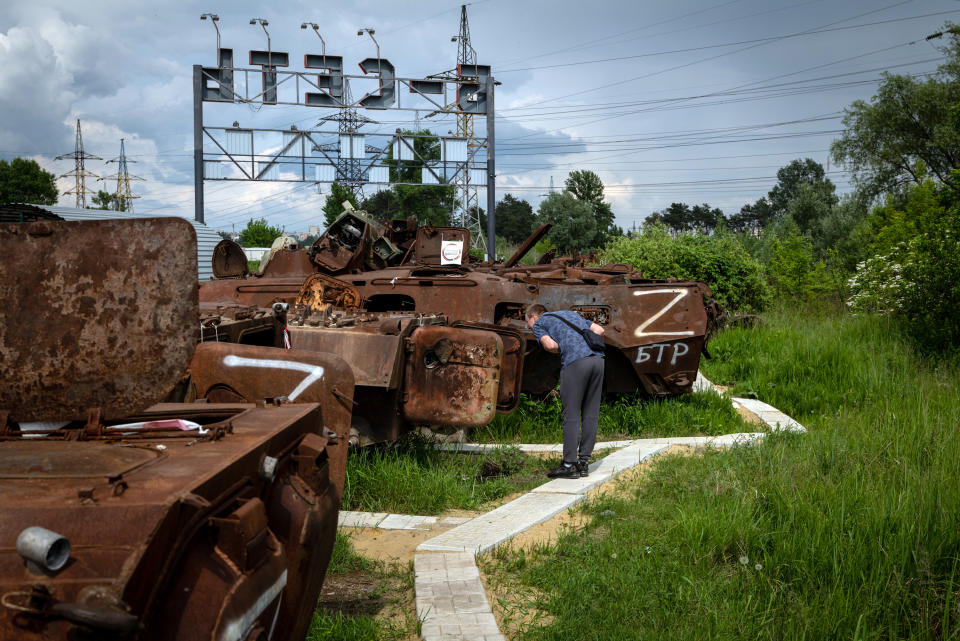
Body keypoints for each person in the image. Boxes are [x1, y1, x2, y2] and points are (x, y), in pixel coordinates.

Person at [525, 304, 605, 479]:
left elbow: (550, 345)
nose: (530, 328)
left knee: (572, 414)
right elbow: (599, 330)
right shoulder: (569, 314)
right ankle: (583, 463)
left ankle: (569, 464)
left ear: (534, 317)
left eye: (528, 323)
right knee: (591, 413)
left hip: (576, 363)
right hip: (598, 360)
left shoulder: (540, 324)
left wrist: (567, 348)